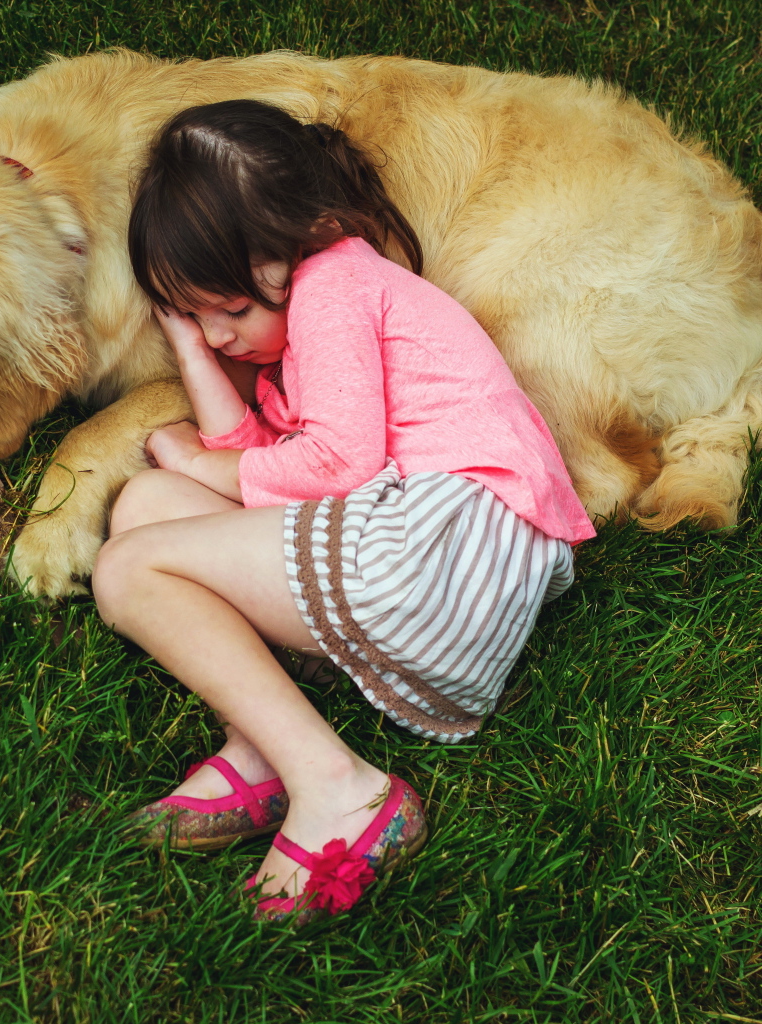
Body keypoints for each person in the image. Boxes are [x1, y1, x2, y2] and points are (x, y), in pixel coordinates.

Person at [91, 99, 595, 924]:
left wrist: (196, 458)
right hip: (449, 566)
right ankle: (261, 747)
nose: (221, 336)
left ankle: (342, 788)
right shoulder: (310, 309)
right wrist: (191, 349)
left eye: (233, 311)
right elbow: (261, 451)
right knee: (147, 507)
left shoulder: (333, 288)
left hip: (441, 548)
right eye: (197, 315)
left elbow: (332, 466)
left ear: (302, 238)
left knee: (126, 570)